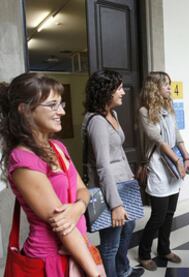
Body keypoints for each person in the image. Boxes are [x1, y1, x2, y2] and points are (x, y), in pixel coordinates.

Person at [0, 73, 100, 276]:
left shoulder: (57, 147)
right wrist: (95, 274)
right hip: (51, 258)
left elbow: (83, 190)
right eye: (52, 105)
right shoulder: (23, 158)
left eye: (60, 104)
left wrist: (77, 208)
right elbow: (62, 227)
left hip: (78, 247)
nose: (62, 111)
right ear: (25, 110)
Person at [83, 70, 144, 277]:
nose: (123, 92)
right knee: (110, 244)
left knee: (128, 227)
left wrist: (130, 176)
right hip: (109, 189)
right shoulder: (97, 122)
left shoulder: (112, 114)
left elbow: (118, 152)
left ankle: (123, 268)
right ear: (105, 91)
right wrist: (116, 205)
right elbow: (103, 166)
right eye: (118, 88)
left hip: (123, 183)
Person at [137, 71, 189, 271]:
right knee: (158, 215)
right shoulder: (145, 111)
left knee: (170, 212)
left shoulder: (168, 107)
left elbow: (177, 135)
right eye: (166, 84)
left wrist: (186, 157)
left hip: (173, 162)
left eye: (169, 84)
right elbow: (158, 140)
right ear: (155, 88)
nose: (170, 87)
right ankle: (143, 253)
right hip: (159, 165)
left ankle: (164, 249)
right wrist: (177, 160)